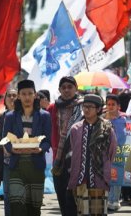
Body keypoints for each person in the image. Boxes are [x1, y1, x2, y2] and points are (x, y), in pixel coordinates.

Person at [2, 79, 51, 216]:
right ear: (18, 95)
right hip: (16, 165)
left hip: (36, 166)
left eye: (30, 93)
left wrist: (41, 149)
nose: (27, 97)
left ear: (35, 95)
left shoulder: (44, 116)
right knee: (17, 205)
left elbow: (47, 140)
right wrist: (12, 149)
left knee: (34, 207)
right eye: (24, 94)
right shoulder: (10, 116)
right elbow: (5, 139)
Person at [68, 94, 117, 215]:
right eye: (84, 106)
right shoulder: (75, 129)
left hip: (99, 179)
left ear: (99, 109)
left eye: (90, 106)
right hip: (80, 180)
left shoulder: (107, 128)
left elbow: (112, 152)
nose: (86, 109)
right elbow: (74, 150)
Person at [48, 76, 83, 216]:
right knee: (62, 198)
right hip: (58, 160)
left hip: (78, 159)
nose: (67, 90)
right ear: (59, 90)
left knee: (75, 201)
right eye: (64, 87)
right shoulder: (52, 107)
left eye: (70, 87)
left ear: (76, 88)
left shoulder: (83, 106)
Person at [104, 94, 127, 211]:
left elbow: (123, 137)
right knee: (106, 176)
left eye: (113, 104)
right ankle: (107, 200)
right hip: (105, 153)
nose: (110, 106)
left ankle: (115, 200)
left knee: (117, 176)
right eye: (108, 104)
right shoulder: (102, 119)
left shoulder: (124, 119)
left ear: (119, 106)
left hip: (119, 153)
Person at [0, 88, 17, 216]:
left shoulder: (26, 115)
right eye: (9, 95)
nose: (12, 98)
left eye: (15, 95)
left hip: (24, 162)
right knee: (8, 196)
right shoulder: (2, 117)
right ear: (5, 99)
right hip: (7, 162)